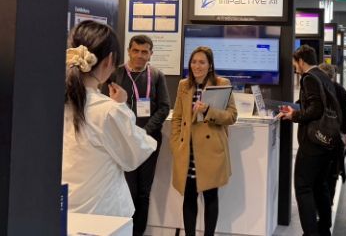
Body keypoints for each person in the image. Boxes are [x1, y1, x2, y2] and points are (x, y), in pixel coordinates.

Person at [62, 20, 157, 217]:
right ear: (110, 60)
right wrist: (121, 107)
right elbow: (135, 153)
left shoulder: (54, 104)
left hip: (62, 208)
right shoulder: (108, 111)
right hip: (103, 213)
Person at [103, 35, 170, 236]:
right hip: (123, 141)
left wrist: (143, 132)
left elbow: (164, 107)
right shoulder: (115, 75)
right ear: (129, 51)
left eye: (144, 52)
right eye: (136, 51)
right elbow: (105, 105)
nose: (140, 55)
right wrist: (129, 133)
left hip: (148, 142)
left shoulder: (157, 76)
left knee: (143, 192)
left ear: (151, 54)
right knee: (127, 190)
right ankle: (125, 231)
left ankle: (138, 233)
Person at [170, 46, 237, 236]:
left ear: (210, 65)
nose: (197, 66)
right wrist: (176, 144)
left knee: (210, 197)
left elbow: (232, 116)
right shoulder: (184, 85)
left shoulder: (221, 83)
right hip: (187, 151)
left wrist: (208, 110)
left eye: (202, 62)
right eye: (193, 62)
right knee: (189, 197)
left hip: (211, 151)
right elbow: (177, 117)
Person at [280, 45, 341, 236]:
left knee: (303, 187)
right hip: (327, 141)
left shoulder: (309, 78)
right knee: (320, 185)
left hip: (313, 143)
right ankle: (324, 228)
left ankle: (310, 232)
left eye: (295, 63)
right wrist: (297, 108)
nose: (295, 67)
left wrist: (294, 115)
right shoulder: (323, 76)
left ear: (301, 61)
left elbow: (315, 109)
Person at [318, 63, 346, 203]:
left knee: (327, 174)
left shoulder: (335, 90)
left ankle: (324, 205)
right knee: (331, 174)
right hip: (334, 140)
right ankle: (327, 204)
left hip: (327, 140)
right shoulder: (339, 90)